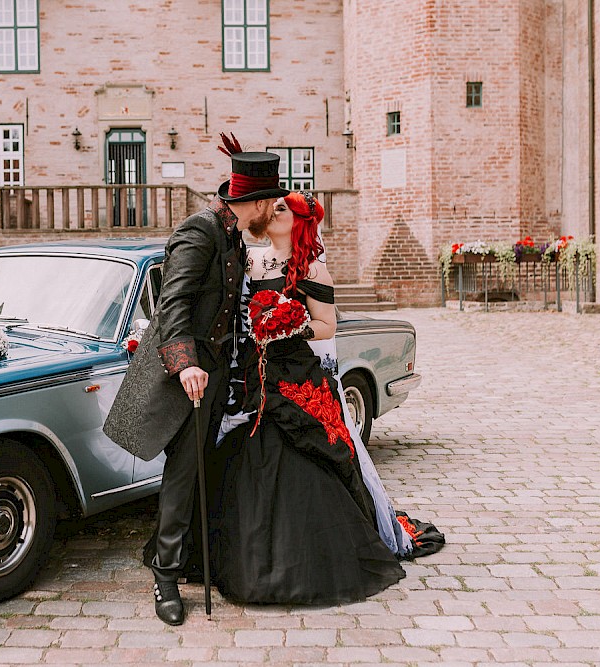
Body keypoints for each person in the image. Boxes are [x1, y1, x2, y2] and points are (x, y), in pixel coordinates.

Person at [208, 192, 444, 606]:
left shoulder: (313, 268)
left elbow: (326, 326)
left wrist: (290, 328)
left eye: (281, 209)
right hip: (252, 376)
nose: (271, 212)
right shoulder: (252, 260)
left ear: (298, 222)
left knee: (303, 459)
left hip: (295, 377)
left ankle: (307, 556)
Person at [103, 137, 288, 626]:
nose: (273, 209)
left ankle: (182, 559)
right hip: (185, 380)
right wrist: (185, 363)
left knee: (198, 470)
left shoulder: (230, 234)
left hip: (214, 377)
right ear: (259, 202)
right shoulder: (199, 231)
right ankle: (164, 577)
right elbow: (173, 305)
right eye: (271, 202)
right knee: (183, 477)